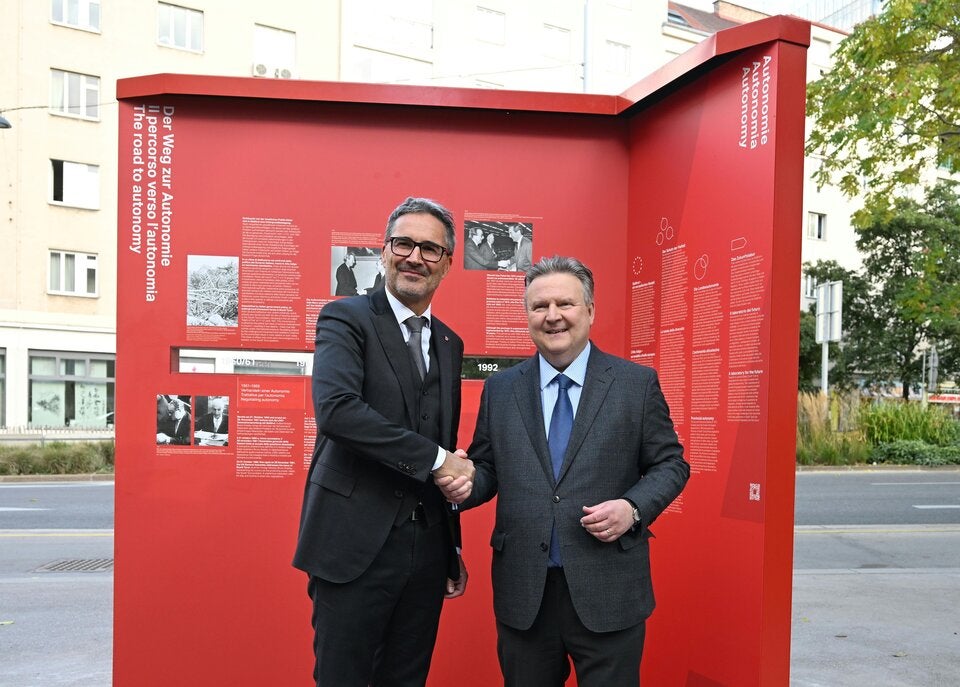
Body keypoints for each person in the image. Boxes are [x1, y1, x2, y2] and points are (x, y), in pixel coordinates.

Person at [454, 256, 689, 687]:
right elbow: (487, 470)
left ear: (590, 310)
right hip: (525, 591)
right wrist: (464, 482)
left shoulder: (635, 384)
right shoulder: (501, 390)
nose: (552, 316)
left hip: (609, 589)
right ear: (527, 315)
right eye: (539, 306)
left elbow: (672, 464)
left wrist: (632, 508)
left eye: (566, 303)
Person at [294, 197, 476, 687]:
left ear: (446, 263)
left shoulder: (449, 343)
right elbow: (338, 411)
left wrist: (450, 546)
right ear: (385, 249)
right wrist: (439, 460)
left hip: (425, 552)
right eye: (404, 243)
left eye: (431, 249)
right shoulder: (346, 317)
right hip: (352, 545)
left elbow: (442, 438)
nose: (415, 257)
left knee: (407, 679)